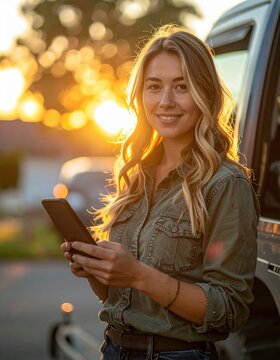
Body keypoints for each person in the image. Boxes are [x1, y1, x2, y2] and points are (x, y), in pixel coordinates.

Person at [61, 24, 260, 360]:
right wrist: (100, 271)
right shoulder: (137, 176)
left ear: (204, 94)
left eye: (182, 87)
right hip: (114, 349)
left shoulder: (225, 184)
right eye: (154, 87)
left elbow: (229, 310)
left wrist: (138, 275)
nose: (166, 101)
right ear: (141, 95)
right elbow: (119, 297)